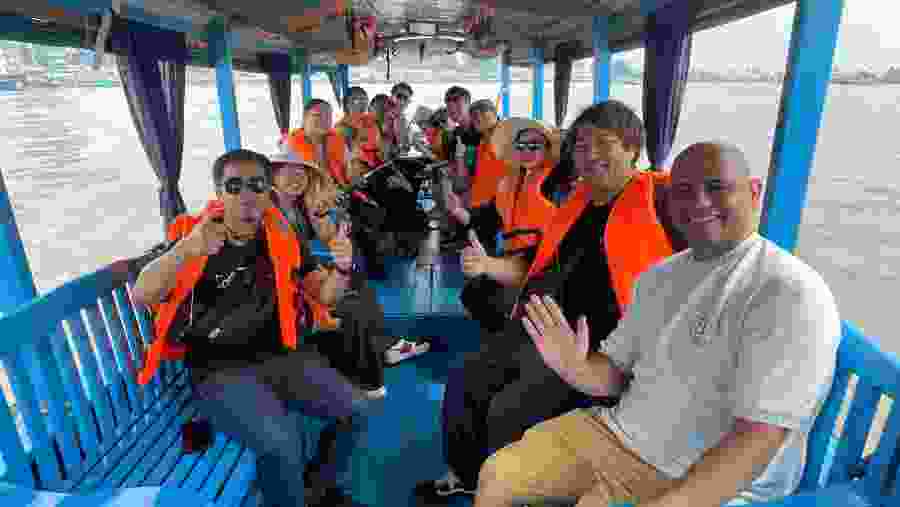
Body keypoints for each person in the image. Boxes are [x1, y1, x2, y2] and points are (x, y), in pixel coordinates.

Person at [474, 141, 841, 507]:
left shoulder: (788, 292)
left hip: (707, 480)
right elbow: (615, 372)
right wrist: (574, 367)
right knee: (498, 474)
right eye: (683, 191)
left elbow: (759, 439)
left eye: (716, 187)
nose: (699, 202)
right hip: (617, 438)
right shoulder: (659, 276)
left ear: (754, 191)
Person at [416, 101, 686, 503]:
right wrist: (488, 265)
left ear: (633, 148)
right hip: (539, 329)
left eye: (604, 143)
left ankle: (508, 494)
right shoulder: (576, 205)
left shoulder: (662, 202)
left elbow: (709, 248)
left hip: (599, 349)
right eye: (581, 146)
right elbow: (532, 263)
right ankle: (469, 474)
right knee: (464, 382)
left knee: (508, 412)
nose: (590, 155)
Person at [132, 149, 371, 507]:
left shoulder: (282, 235)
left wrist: (341, 268)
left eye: (256, 185)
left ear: (268, 189)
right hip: (218, 370)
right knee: (282, 443)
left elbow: (325, 294)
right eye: (234, 186)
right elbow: (142, 293)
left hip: (280, 357)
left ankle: (317, 489)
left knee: (356, 411)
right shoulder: (196, 234)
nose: (246, 195)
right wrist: (187, 250)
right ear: (219, 192)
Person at [454, 118, 561, 333]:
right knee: (473, 294)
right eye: (521, 145)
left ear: (548, 149)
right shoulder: (508, 183)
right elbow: (488, 220)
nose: (526, 151)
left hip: (549, 265)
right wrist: (458, 211)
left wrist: (490, 265)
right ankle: (502, 334)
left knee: (507, 303)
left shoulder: (559, 184)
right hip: (512, 259)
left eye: (534, 145)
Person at [285, 99, 351, 185]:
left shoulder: (338, 140)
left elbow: (350, 168)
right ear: (304, 118)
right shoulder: (289, 145)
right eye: (318, 115)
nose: (324, 120)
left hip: (339, 188)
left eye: (328, 116)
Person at [391, 82, 414, 153]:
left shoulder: (405, 120)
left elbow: (405, 146)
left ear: (409, 101)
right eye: (399, 96)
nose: (401, 101)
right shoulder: (383, 117)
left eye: (405, 98)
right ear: (391, 97)